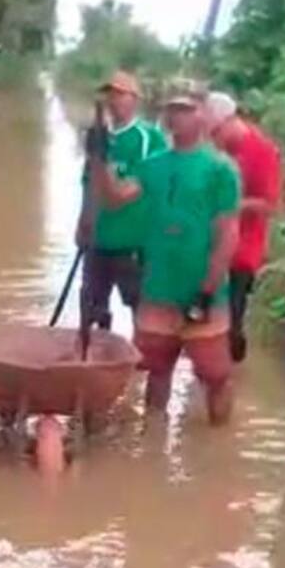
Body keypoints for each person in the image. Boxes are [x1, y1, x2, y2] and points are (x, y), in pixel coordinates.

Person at [92, 81, 241, 425]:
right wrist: (98, 158)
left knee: (215, 374)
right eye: (171, 109)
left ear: (203, 114)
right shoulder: (153, 164)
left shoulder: (220, 169)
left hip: (202, 287)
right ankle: (151, 448)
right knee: (156, 371)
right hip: (158, 287)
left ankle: (219, 444)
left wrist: (207, 290)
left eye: (185, 109)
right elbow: (114, 198)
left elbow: (227, 234)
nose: (176, 117)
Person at [76, 71, 167, 332]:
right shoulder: (102, 138)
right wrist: (82, 224)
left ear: (134, 99)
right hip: (98, 242)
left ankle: (141, 365)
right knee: (91, 312)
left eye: (119, 93)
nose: (113, 100)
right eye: (109, 94)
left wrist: (101, 158)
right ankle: (93, 364)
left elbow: (119, 197)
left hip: (134, 244)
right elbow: (89, 186)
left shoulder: (148, 138)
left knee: (142, 313)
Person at [205, 91, 282, 362]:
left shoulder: (262, 151)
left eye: (214, 132)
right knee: (204, 317)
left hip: (243, 251)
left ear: (229, 122)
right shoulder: (215, 151)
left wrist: (231, 205)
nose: (212, 139)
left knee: (230, 320)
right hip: (210, 247)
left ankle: (230, 375)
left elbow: (270, 205)